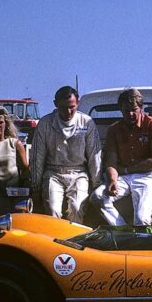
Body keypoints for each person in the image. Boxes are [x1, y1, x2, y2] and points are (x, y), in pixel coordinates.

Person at [91, 88, 152, 228]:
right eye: (126, 110)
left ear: (141, 107)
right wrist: (112, 180)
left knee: (141, 218)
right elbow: (111, 161)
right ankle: (122, 231)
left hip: (149, 176)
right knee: (97, 197)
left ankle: (143, 244)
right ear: (120, 110)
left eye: (134, 109)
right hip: (123, 177)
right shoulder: (114, 129)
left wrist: (127, 170)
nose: (130, 114)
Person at [31, 86, 102, 223]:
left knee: (76, 208)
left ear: (78, 103)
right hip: (53, 173)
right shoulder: (45, 123)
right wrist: (35, 186)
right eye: (63, 108)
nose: (68, 112)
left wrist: (96, 183)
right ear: (55, 104)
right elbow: (37, 156)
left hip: (79, 173)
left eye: (72, 107)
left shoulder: (86, 122)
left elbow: (94, 155)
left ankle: (74, 241)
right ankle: (53, 242)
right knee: (53, 210)